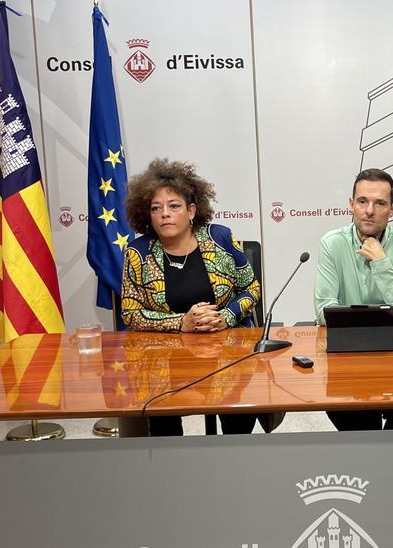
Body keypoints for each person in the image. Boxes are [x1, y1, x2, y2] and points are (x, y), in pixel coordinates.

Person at [119, 158, 280, 435]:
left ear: (191, 211)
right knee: (163, 423)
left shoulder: (219, 239)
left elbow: (250, 287)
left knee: (238, 420)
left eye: (174, 206)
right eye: (156, 209)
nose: (164, 215)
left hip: (227, 352)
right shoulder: (138, 253)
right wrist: (182, 322)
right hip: (165, 359)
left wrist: (225, 317)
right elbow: (130, 312)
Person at [314, 168, 393, 430]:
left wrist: (381, 261)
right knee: (357, 422)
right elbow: (323, 310)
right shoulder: (332, 243)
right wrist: (387, 315)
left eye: (380, 203)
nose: (369, 210)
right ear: (351, 205)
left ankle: (392, 463)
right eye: (362, 201)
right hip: (347, 354)